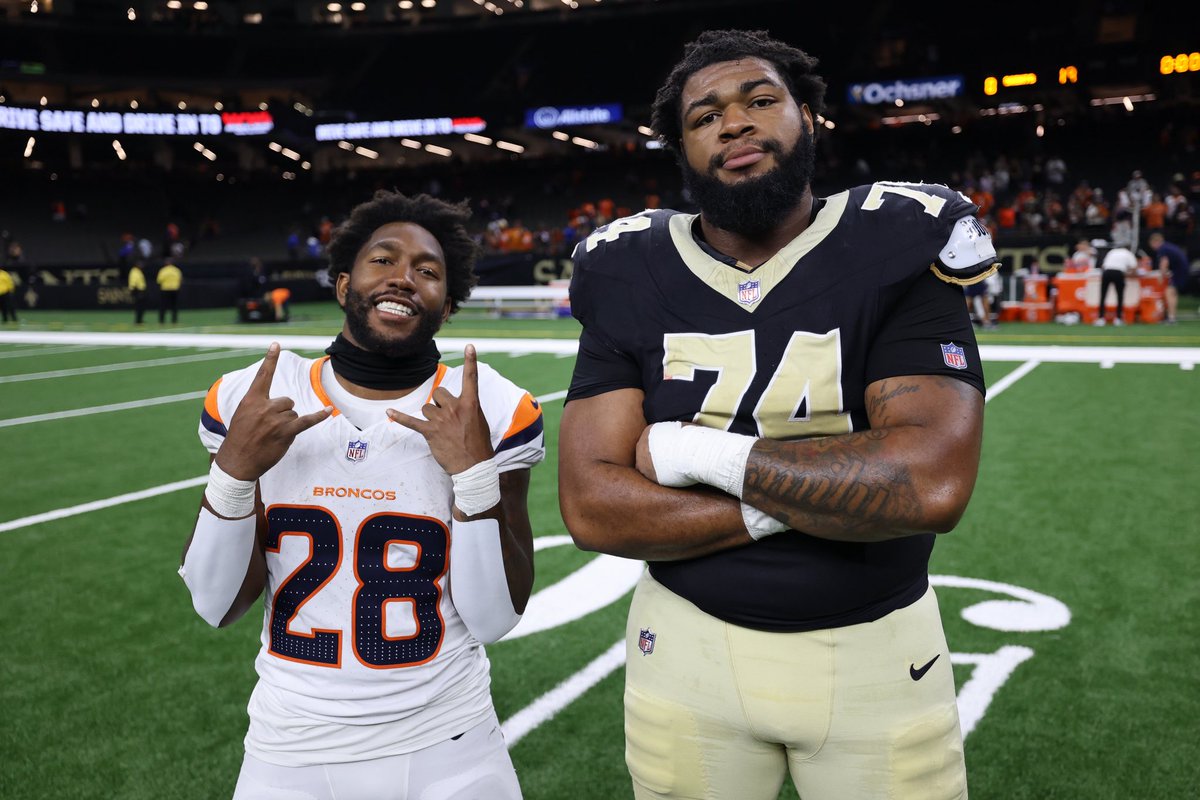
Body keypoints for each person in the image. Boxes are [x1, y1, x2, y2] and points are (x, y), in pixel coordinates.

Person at [559, 29, 994, 800]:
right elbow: (594, 508)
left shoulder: (895, 235)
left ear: (809, 117)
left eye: (760, 100)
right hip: (685, 648)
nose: (734, 123)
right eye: (704, 117)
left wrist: (692, 456)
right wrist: (833, 493)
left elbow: (929, 483)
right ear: (682, 148)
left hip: (878, 649)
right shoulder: (627, 267)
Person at [178, 190, 544, 800]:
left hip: (448, 739)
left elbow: (494, 618)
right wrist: (234, 472)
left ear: (447, 306)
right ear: (344, 283)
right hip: (289, 743)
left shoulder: (492, 406)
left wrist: (475, 476)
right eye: (383, 259)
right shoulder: (256, 395)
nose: (403, 277)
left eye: (427, 271)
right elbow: (216, 604)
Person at [1148, 232, 1190, 324]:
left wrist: (1161, 275)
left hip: (1179, 271)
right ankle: (1171, 316)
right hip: (1182, 270)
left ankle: (1171, 318)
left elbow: (1164, 263)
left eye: (1152, 244)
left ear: (1155, 242)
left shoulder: (1163, 248)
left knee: (1169, 292)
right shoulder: (1168, 246)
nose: (1152, 247)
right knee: (1172, 293)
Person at [1095, 242, 1137, 326]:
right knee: (1120, 296)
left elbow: (1103, 266)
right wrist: (1126, 274)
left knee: (1103, 295)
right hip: (1118, 273)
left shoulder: (1112, 252)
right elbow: (1134, 269)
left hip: (1106, 272)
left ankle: (1100, 318)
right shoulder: (1128, 253)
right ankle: (1118, 318)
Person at [156, 260, 183, 324]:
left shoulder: (163, 270)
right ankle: (174, 321)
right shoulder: (176, 270)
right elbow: (180, 279)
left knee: (163, 306)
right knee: (174, 306)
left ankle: (161, 321)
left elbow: (159, 280)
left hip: (165, 289)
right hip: (175, 289)